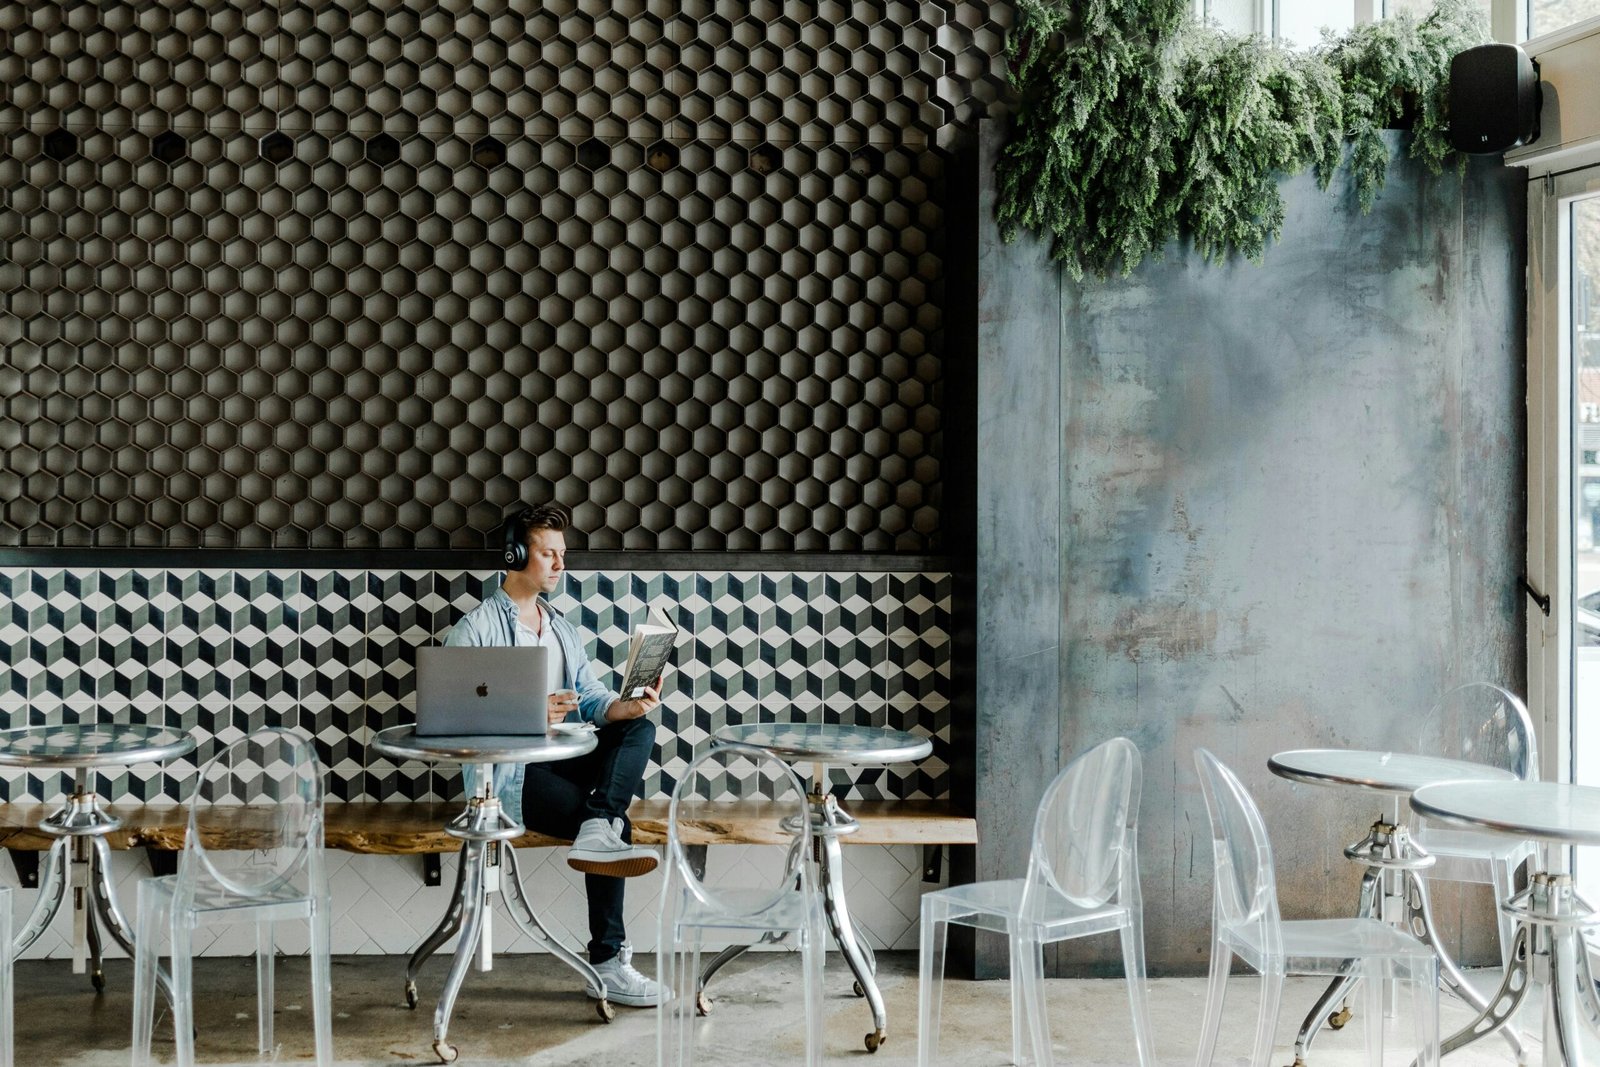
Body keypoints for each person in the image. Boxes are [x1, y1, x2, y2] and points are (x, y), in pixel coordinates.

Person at [444, 502, 669, 1007]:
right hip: (510, 777)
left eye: (562, 554)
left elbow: (589, 697)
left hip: (565, 756)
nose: (561, 566)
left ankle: (597, 824)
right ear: (516, 553)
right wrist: (529, 712)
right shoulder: (476, 629)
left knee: (638, 730)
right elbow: (452, 714)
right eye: (549, 554)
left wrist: (623, 705)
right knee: (620, 831)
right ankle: (610, 964)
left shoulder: (563, 628)